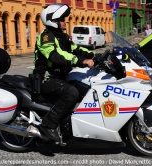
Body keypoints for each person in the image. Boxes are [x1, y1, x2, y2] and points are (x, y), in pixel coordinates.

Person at [34, 3, 96, 141]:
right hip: (46, 78)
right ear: (53, 21)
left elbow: (76, 49)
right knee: (71, 92)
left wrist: (93, 56)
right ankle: (48, 125)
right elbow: (56, 56)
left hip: (60, 77)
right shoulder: (46, 37)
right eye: (62, 19)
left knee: (84, 86)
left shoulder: (63, 37)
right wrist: (80, 61)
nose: (64, 22)